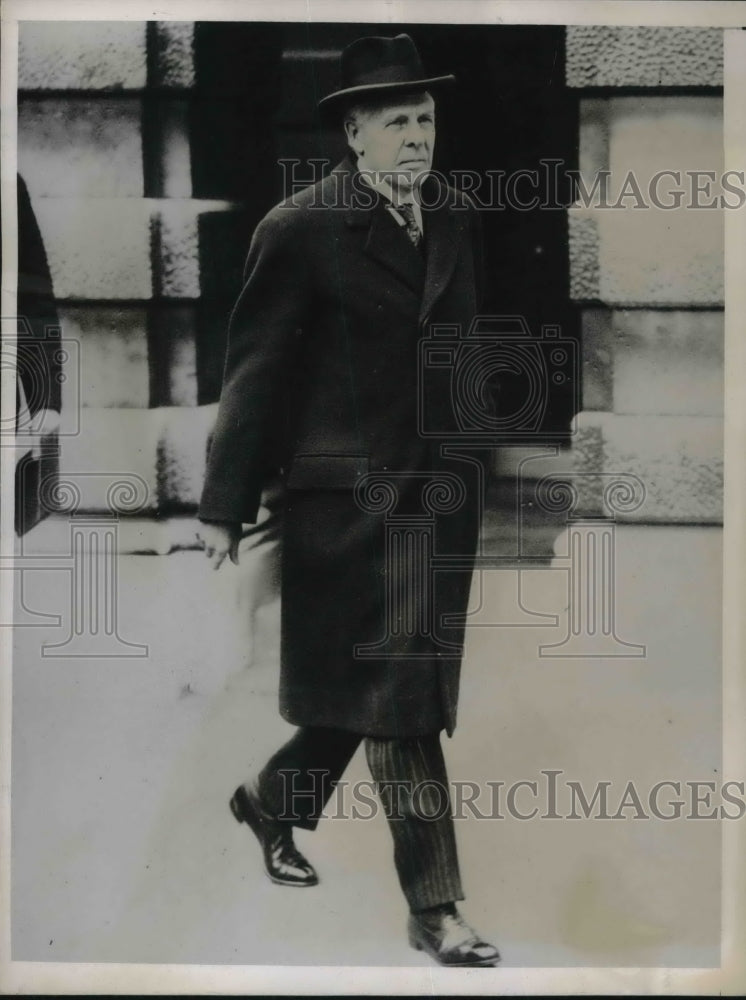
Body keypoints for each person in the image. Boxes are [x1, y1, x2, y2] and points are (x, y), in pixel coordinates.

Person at [197, 33, 500, 968]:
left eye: (427, 118)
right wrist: (223, 505)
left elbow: (464, 344)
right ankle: (436, 907)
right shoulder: (298, 229)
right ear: (355, 134)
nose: (418, 136)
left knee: (365, 694)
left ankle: (269, 802)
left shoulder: (452, 216)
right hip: (347, 511)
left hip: (435, 503)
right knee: (402, 701)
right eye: (398, 121)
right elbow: (256, 377)